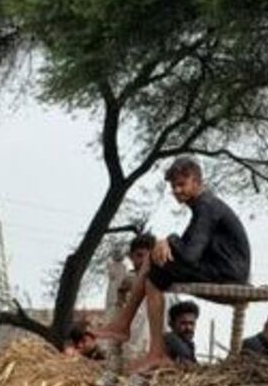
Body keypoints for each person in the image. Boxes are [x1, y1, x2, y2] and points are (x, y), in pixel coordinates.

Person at [97, 158, 250, 369]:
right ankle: (147, 344)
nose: (177, 190)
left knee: (154, 263)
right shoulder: (201, 207)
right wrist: (167, 244)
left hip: (229, 272)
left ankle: (128, 328)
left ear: (197, 182)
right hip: (221, 267)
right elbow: (187, 247)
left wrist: (168, 240)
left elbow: (189, 255)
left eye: (182, 185)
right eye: (173, 186)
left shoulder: (206, 206)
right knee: (154, 273)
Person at [104, 231, 155, 362]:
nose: (144, 261)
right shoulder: (122, 282)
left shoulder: (161, 287)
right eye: (139, 255)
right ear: (131, 257)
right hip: (127, 350)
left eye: (148, 257)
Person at [165, 300, 200, 364]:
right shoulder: (171, 340)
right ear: (171, 324)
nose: (188, 327)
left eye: (191, 323)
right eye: (183, 323)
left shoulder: (189, 345)